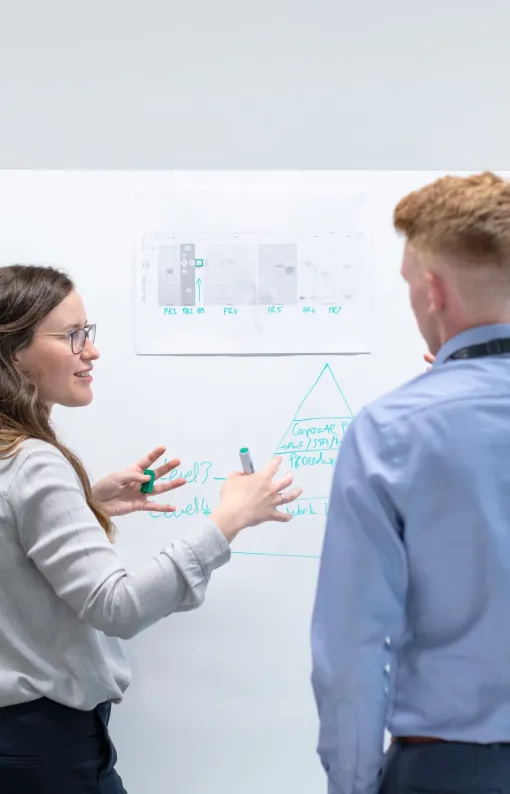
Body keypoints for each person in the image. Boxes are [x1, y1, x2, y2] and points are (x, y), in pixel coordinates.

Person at [0, 264, 302, 794]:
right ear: (14, 351)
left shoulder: (11, 459)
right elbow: (119, 607)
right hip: (47, 751)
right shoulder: (33, 463)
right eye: (73, 336)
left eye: (87, 333)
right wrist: (229, 520)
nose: (90, 351)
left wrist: (85, 502)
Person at [311, 171, 510, 794]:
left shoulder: (391, 432)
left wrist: (353, 784)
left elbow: (353, 650)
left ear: (433, 292)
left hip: (452, 770)